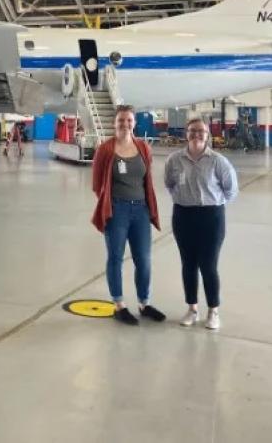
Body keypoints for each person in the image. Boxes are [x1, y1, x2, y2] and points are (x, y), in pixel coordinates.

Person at [91, 104, 166, 326]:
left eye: (129, 120)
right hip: (117, 210)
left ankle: (144, 303)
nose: (125, 124)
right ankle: (119, 305)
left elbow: (146, 178)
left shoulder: (143, 147)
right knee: (115, 258)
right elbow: (97, 185)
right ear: (115, 123)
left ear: (135, 123)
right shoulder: (105, 149)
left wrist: (144, 206)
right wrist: (110, 205)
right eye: (121, 120)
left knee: (143, 259)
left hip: (141, 210)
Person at [164, 117, 238, 330]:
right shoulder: (174, 160)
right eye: (192, 131)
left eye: (201, 131)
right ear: (186, 134)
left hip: (211, 218)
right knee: (188, 265)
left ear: (207, 135)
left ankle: (213, 311)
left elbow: (231, 190)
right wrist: (185, 200)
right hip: (183, 216)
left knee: (208, 265)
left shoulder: (218, 161)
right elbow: (169, 184)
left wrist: (212, 202)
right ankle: (192, 309)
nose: (196, 134)